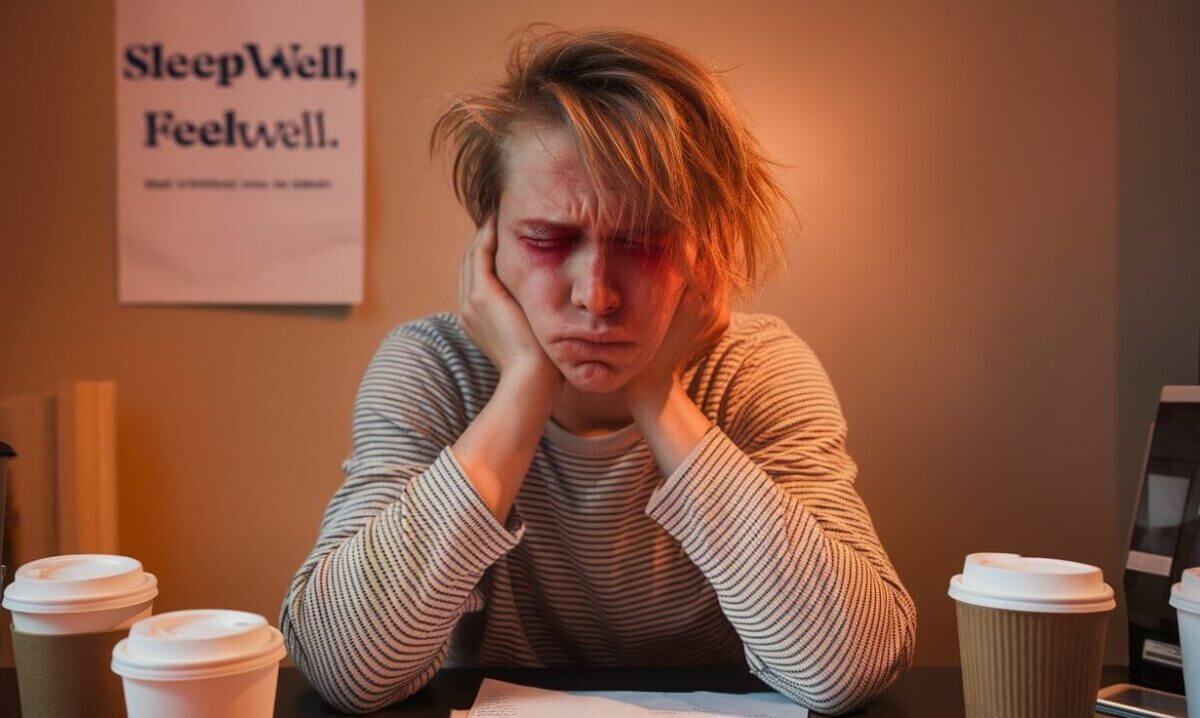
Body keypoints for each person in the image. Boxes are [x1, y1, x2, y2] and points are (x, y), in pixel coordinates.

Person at [279, 23, 916, 716]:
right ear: (488, 242)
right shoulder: (434, 367)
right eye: (550, 239)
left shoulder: (755, 370)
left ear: (701, 250)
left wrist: (657, 393)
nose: (596, 296)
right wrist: (524, 387)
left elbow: (850, 664)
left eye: (642, 243)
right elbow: (345, 667)